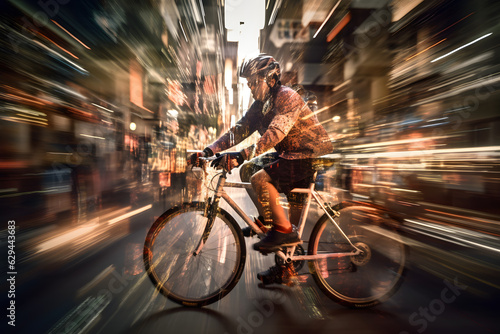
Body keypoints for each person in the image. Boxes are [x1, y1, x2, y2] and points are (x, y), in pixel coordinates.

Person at [189, 53, 333, 284]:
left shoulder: (287, 97)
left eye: (254, 82)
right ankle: (272, 228)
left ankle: (282, 231)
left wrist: (242, 154)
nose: (251, 88)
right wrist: (209, 150)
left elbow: (275, 134)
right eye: (249, 84)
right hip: (289, 156)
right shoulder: (260, 106)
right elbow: (239, 130)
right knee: (248, 172)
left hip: (306, 156)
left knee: (259, 180)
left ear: (270, 79)